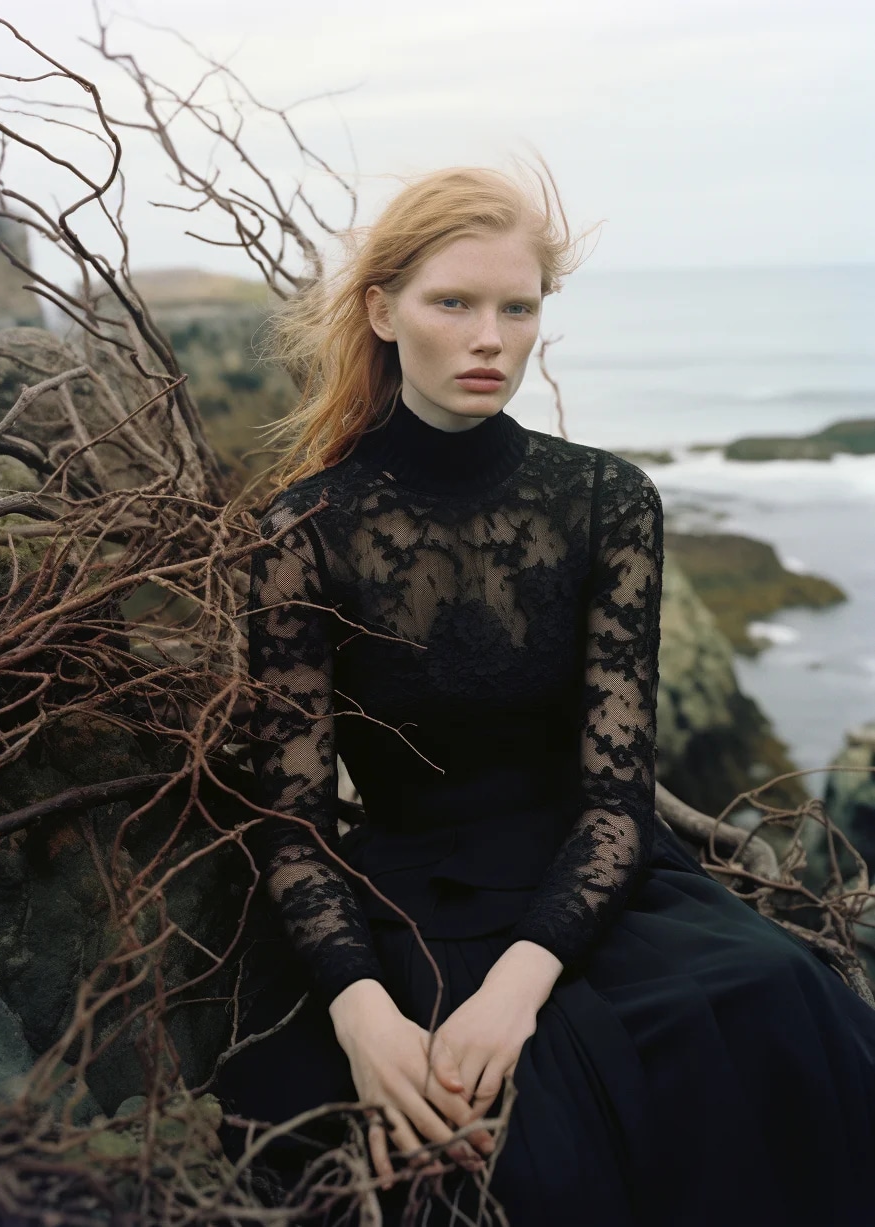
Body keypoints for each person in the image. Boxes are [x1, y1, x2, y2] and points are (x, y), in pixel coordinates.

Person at [216, 164, 875, 1226]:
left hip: (592, 888)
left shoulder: (608, 499)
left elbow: (617, 802)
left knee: (775, 1005)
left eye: (517, 309)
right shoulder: (302, 530)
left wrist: (517, 992)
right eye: (453, 303)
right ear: (382, 312)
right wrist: (359, 1012)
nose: (490, 338)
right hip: (407, 900)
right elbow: (291, 826)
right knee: (473, 1144)